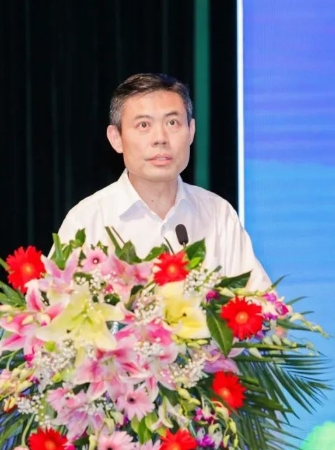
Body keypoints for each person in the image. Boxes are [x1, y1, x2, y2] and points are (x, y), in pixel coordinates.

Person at [56, 72, 271, 291]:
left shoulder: (217, 214)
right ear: (116, 138)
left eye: (172, 122)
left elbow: (261, 303)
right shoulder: (87, 220)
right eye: (143, 125)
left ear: (191, 131)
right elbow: (53, 303)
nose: (160, 138)